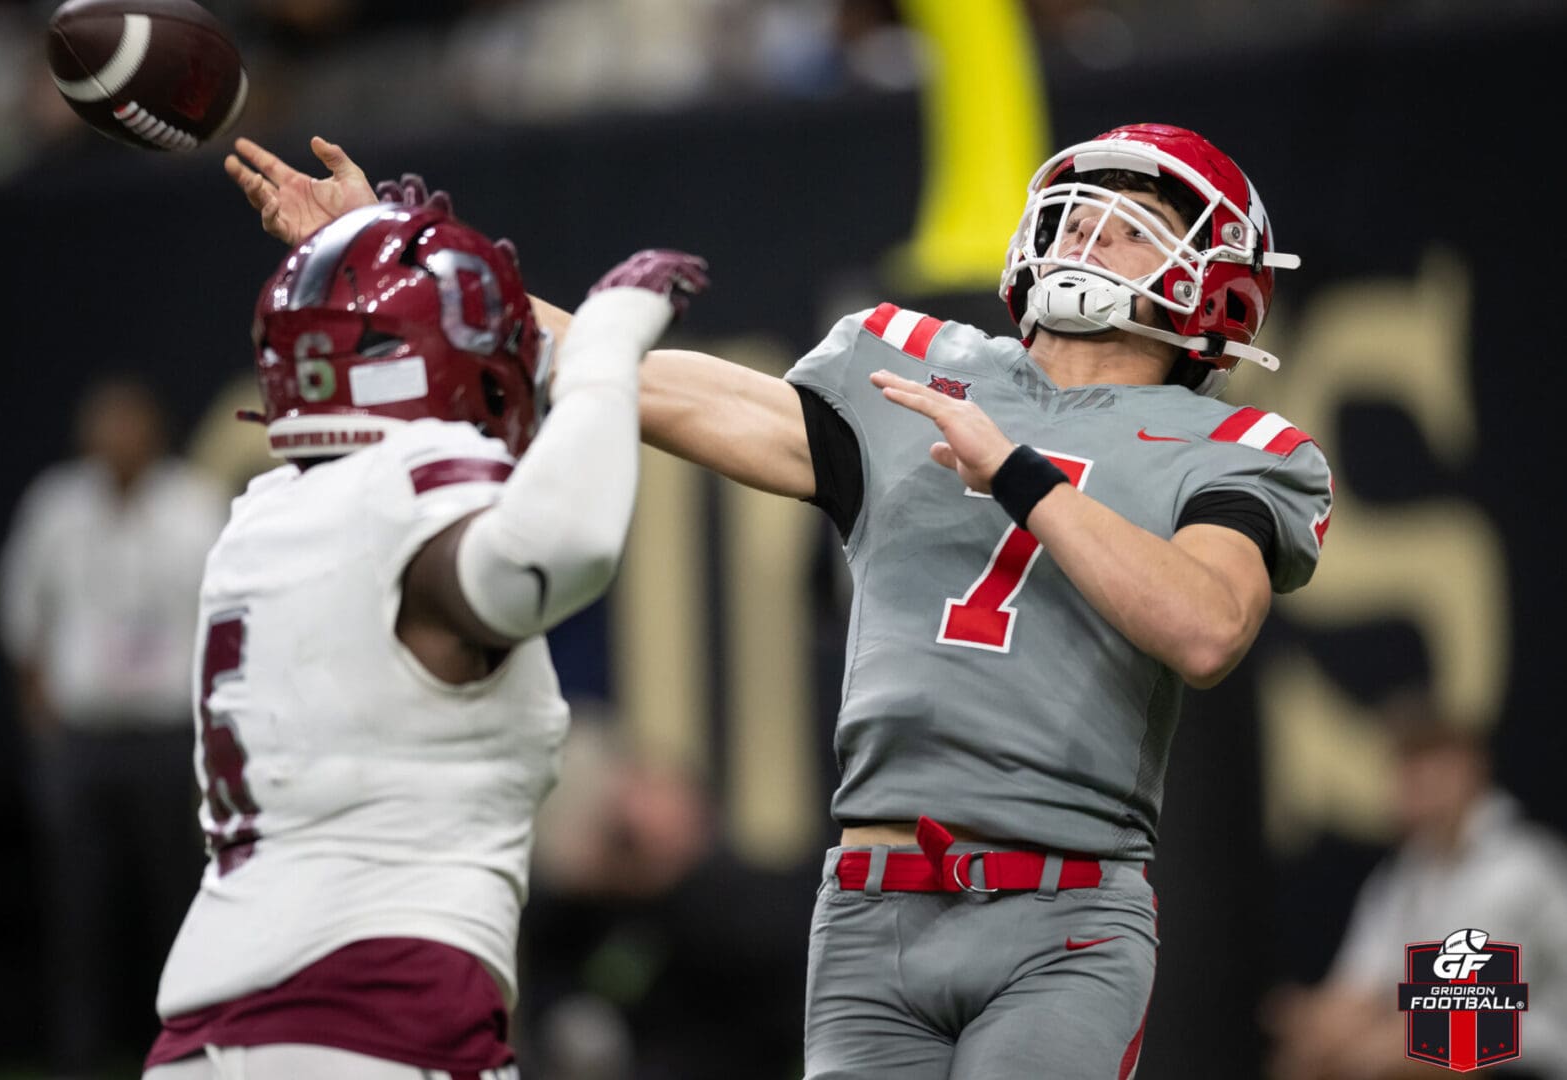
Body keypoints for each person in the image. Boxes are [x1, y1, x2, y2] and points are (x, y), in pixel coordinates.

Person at [224, 120, 1331, 1079]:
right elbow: (643, 382)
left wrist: (1018, 474)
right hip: (871, 901)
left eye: (1133, 222)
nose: (1088, 232)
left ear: (1216, 279)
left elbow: (1205, 628)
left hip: (1063, 913)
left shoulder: (1236, 447)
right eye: (1080, 210)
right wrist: (394, 253)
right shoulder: (915, 365)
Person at [139, 189, 709, 1079]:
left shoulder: (261, 518)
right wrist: (600, 353)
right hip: (378, 1013)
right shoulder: (408, 485)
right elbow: (556, 549)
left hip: (200, 1035)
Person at [0, 375, 228, 1077]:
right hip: (84, 737)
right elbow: (22, 610)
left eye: (130, 425)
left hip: (169, 737)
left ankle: (185, 1048)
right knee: (79, 906)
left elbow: (224, 610)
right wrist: (41, 714)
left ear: (155, 431)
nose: (117, 440)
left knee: (180, 899)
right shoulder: (56, 506)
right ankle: (80, 1054)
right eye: (105, 425)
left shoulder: (195, 504)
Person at [1263, 691, 1567, 1080]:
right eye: (1406, 766)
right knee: (1306, 1057)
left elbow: (1471, 1021)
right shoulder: (1401, 878)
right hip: (1449, 1041)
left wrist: (1365, 1043)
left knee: (1388, 1061)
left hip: (1526, 1063)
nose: (1416, 782)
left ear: (1471, 769)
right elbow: (1359, 989)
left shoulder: (1520, 869)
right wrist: (1316, 1023)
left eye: (1430, 764)